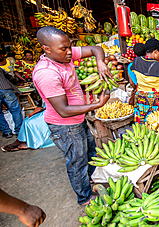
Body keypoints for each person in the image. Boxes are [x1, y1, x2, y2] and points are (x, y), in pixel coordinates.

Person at [32, 27, 111, 205]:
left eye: (70, 47)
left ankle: (92, 182)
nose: (69, 52)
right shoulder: (47, 73)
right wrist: (97, 104)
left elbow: (95, 49)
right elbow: (63, 110)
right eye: (64, 49)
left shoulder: (62, 55)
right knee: (77, 161)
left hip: (79, 119)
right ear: (47, 49)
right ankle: (84, 197)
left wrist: (100, 62)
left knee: (90, 153)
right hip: (65, 125)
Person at [0, 55, 23, 138]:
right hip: (6, 89)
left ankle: (7, 132)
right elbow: (10, 78)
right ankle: (19, 131)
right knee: (15, 110)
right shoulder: (1, 69)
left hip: (5, 89)